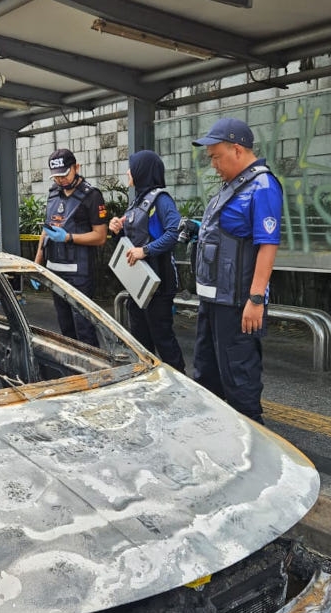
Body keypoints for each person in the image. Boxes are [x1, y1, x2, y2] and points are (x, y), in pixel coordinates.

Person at [190, 118, 282, 424]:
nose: (213, 164)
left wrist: (255, 299)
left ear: (238, 150)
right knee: (207, 373)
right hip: (214, 301)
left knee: (239, 380)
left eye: (217, 156)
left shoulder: (263, 186)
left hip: (238, 303)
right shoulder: (232, 186)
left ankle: (254, 447)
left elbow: (267, 245)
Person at [108, 150, 186, 371]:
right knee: (141, 340)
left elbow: (174, 232)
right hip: (137, 284)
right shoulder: (137, 202)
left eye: (131, 167)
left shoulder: (161, 200)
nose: (128, 171)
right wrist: (117, 230)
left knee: (163, 338)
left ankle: (180, 383)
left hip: (158, 283)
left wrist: (147, 250)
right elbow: (131, 244)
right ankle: (148, 380)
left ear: (142, 171)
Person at [35, 149, 108, 347]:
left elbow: (100, 236)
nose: (61, 180)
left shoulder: (91, 196)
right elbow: (46, 230)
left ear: (77, 167)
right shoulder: (53, 194)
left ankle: (93, 371)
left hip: (80, 274)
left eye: (64, 174)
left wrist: (69, 237)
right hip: (55, 271)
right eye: (56, 176)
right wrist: (37, 264)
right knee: (66, 328)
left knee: (84, 328)